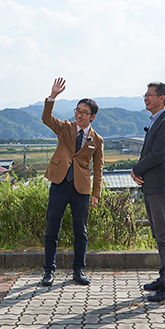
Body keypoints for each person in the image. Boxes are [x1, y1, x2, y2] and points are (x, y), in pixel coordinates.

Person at [40, 77, 104, 287]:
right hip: (59, 184)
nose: (79, 114)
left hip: (81, 188)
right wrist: (53, 96)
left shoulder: (97, 140)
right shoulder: (65, 128)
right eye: (78, 110)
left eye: (84, 112)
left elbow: (98, 168)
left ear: (92, 117)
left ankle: (78, 270)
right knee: (52, 229)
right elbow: (46, 118)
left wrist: (96, 194)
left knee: (80, 231)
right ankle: (49, 271)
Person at [130, 81, 165, 302]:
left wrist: (136, 169)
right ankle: (164, 278)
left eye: (150, 94)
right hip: (152, 185)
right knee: (159, 235)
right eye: (145, 94)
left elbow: (158, 154)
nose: (146, 98)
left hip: (159, 186)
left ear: (162, 98)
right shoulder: (157, 121)